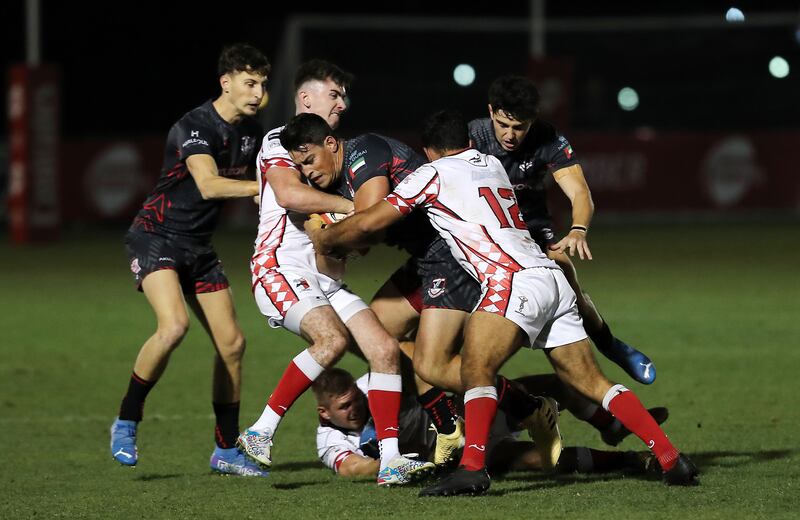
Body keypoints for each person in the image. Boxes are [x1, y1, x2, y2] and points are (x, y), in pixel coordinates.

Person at [305, 109, 699, 496]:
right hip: (548, 278)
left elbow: (372, 221)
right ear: (468, 142)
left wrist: (324, 239)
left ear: (428, 151)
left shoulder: (429, 175)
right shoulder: (491, 162)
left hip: (509, 281)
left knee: (476, 367)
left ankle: (472, 469)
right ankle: (669, 457)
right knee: (592, 382)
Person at [279, 112, 561, 469]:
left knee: (432, 364)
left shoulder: (365, 152)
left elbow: (367, 227)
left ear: (331, 144)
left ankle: (528, 408)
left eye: (309, 160)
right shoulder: (338, 180)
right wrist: (334, 236)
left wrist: (324, 235)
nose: (308, 171)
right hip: (426, 259)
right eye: (299, 166)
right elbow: (354, 243)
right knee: (377, 338)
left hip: (450, 255)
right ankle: (447, 423)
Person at [236, 60, 435, 486]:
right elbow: (289, 194)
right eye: (335, 94)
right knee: (332, 340)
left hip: (324, 279)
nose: (343, 103)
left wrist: (352, 234)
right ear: (306, 99)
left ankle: (392, 461)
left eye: (344, 96)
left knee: (384, 350)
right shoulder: (280, 141)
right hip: (281, 266)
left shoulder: (335, 157)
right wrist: (356, 212)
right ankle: (260, 432)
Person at [110, 43, 271, 476]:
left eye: (263, 84)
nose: (258, 93)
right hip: (156, 236)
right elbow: (209, 185)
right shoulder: (195, 126)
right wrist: (268, 189)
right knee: (174, 326)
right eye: (250, 82)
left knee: (233, 344)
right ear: (227, 82)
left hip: (198, 247)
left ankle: (226, 450)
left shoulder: (254, 134)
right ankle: (126, 420)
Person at [469, 75, 655, 385]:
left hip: (530, 231)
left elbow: (580, 193)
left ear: (533, 120)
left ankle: (610, 345)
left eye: (519, 127)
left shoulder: (548, 139)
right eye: (503, 124)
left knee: (567, 281)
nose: (510, 135)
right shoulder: (471, 137)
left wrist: (578, 229)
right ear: (491, 112)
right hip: (480, 235)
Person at [312, 368, 659, 478]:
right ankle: (630, 461)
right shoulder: (329, 438)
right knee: (544, 459)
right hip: (451, 454)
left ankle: (610, 426)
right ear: (324, 413)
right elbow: (352, 468)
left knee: (554, 384)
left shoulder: (377, 383)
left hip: (466, 413)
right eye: (345, 407)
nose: (356, 409)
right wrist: (407, 466)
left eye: (357, 400)